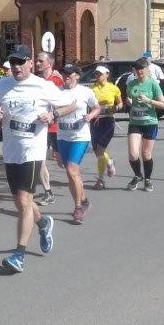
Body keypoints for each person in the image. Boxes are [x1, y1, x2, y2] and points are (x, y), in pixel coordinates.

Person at [0, 45, 76, 272]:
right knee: (20, 201)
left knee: (25, 201)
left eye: (21, 62)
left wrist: (53, 114)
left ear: (30, 63)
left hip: (33, 151)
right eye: (13, 62)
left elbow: (71, 104)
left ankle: (19, 255)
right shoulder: (3, 85)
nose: (16, 66)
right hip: (11, 151)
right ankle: (43, 223)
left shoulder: (43, 85)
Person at [55, 64, 99, 223]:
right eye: (64, 73)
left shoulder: (85, 91)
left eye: (69, 73)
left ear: (77, 75)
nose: (66, 76)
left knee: (71, 169)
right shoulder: (56, 92)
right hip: (62, 137)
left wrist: (90, 116)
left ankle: (78, 208)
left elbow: (96, 108)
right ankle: (84, 201)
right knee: (71, 174)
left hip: (80, 136)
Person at [124, 57, 164, 191]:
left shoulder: (153, 84)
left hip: (150, 122)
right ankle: (138, 175)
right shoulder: (131, 84)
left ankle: (147, 180)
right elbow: (129, 99)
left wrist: (149, 100)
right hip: (135, 122)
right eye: (137, 69)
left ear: (147, 69)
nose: (139, 71)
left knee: (146, 154)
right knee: (133, 154)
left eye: (142, 69)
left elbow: (163, 105)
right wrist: (129, 102)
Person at [34, 51, 64, 206]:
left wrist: (54, 114)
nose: (37, 63)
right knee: (40, 161)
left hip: (57, 128)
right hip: (41, 128)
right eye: (36, 61)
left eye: (41, 61)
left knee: (63, 163)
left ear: (49, 63)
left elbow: (64, 103)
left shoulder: (58, 80)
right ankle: (48, 192)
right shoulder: (36, 81)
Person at [89, 65, 122, 190]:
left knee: (100, 150)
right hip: (95, 122)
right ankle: (109, 162)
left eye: (100, 73)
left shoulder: (113, 88)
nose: (98, 76)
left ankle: (100, 179)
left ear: (107, 74)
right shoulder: (91, 88)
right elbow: (88, 104)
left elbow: (120, 103)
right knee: (98, 152)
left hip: (108, 122)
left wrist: (116, 108)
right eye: (96, 74)